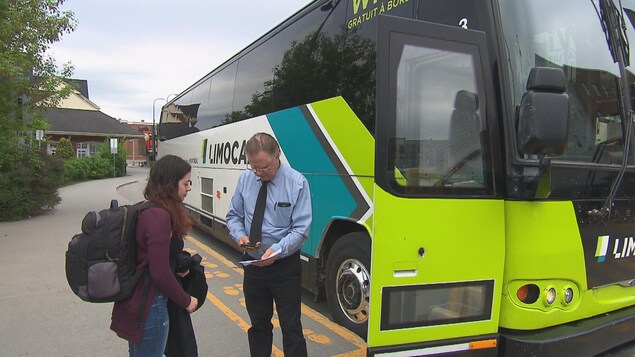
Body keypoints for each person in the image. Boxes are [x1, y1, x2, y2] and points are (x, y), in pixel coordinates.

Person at [226, 132, 312, 357]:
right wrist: (240, 236)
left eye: (264, 168)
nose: (259, 173)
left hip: (284, 267)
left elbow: (301, 229)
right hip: (254, 266)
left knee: (291, 328)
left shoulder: (297, 183)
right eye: (254, 167)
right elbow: (234, 215)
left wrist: (279, 249)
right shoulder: (246, 179)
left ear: (277, 158)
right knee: (258, 326)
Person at [111, 154, 199, 357]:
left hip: (137, 300)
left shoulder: (148, 209)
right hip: (151, 304)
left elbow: (151, 257)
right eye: (186, 183)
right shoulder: (159, 216)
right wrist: (186, 300)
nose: (189, 188)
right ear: (170, 183)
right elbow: (158, 271)